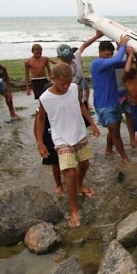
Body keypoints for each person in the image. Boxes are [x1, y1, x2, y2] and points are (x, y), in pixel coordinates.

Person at [36, 63, 100, 228]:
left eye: (68, 82)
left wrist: (92, 124)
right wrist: (40, 143)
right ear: (53, 79)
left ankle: (79, 185)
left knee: (85, 163)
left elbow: (80, 105)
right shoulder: (45, 98)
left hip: (78, 133)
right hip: (60, 137)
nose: (66, 86)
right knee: (69, 173)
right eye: (62, 83)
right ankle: (74, 210)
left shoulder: (75, 88)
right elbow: (40, 119)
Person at [90, 36, 131, 164]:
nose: (109, 57)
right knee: (115, 132)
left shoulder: (110, 63)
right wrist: (123, 46)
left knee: (114, 129)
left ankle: (108, 149)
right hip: (104, 105)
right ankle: (125, 159)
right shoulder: (97, 63)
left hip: (114, 102)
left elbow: (125, 64)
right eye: (107, 54)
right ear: (100, 52)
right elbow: (118, 58)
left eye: (111, 54)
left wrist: (131, 54)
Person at [33, 81, 63, 197]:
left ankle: (67, 175)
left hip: (62, 136)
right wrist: (40, 143)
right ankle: (59, 184)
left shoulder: (61, 105)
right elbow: (36, 128)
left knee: (68, 160)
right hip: (49, 138)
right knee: (55, 163)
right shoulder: (40, 110)